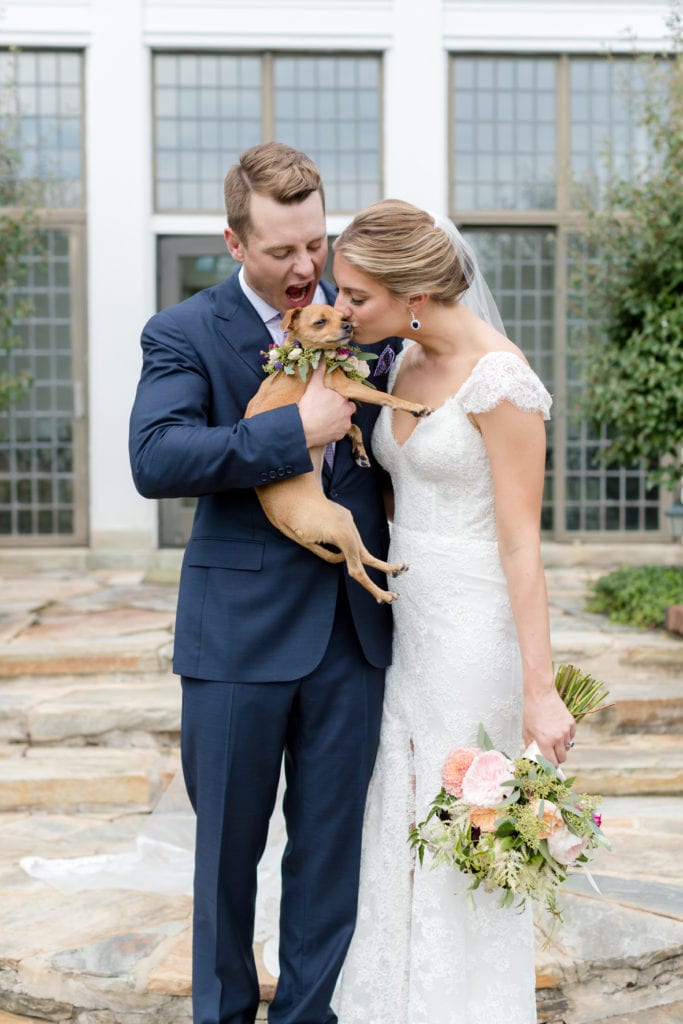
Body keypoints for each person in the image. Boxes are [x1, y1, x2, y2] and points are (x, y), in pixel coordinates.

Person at [128, 143, 401, 1024]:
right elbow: (155, 457)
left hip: (351, 637)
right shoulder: (184, 332)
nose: (305, 271)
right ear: (233, 241)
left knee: (329, 859)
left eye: (314, 246)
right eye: (281, 251)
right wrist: (297, 429)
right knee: (226, 857)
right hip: (237, 634)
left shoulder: (360, 318)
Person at [330, 199, 576, 1024]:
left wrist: (539, 691)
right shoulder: (398, 363)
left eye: (356, 296)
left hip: (472, 632)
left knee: (459, 826)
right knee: (396, 813)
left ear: (412, 294)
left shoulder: (502, 381)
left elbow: (519, 547)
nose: (343, 311)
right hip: (403, 624)